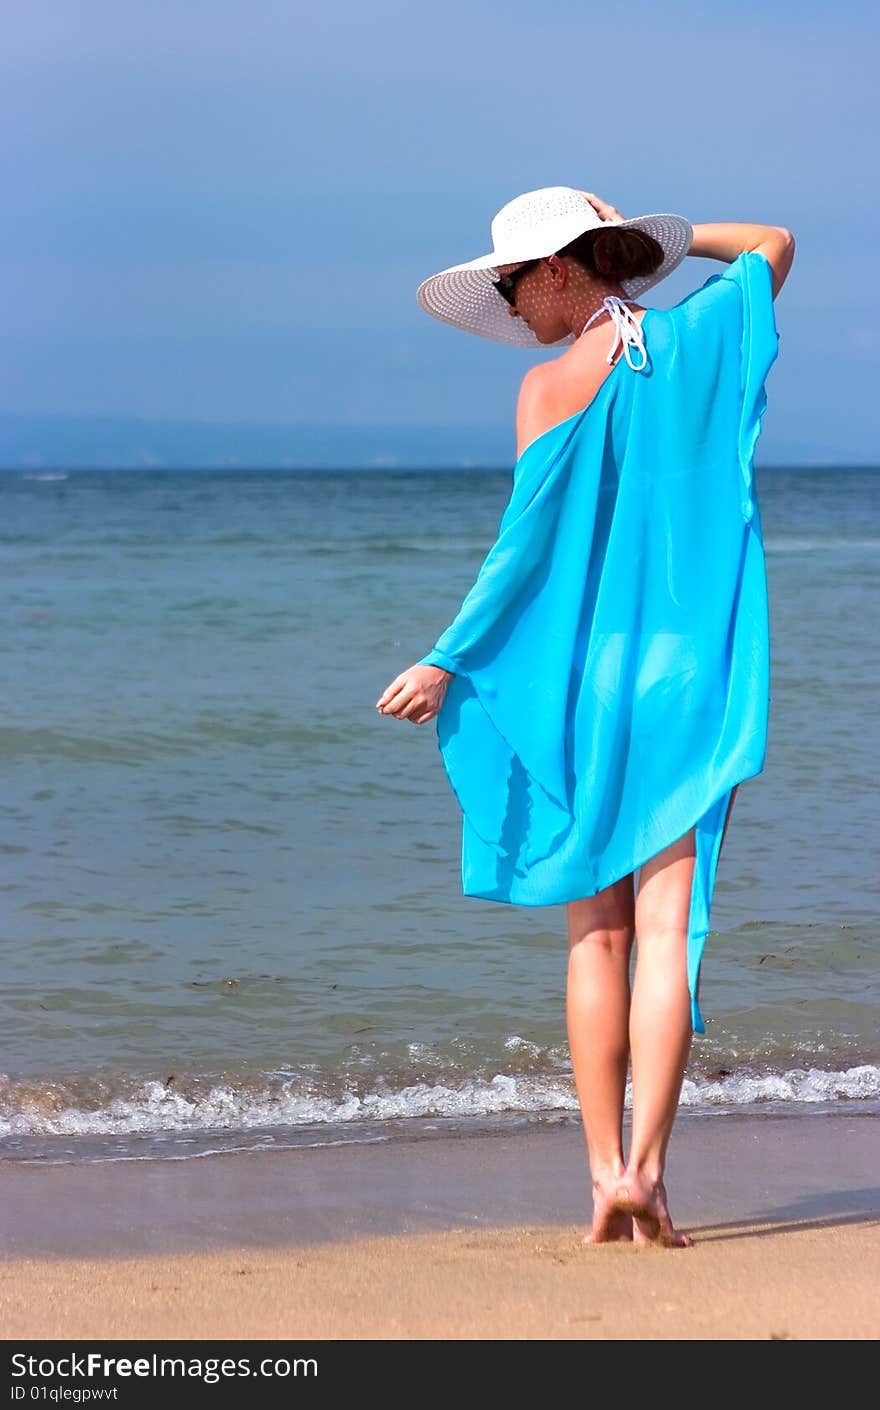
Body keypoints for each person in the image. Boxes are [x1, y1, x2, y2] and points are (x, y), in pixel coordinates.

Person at [375, 187, 795, 1248]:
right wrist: (670, 236)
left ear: (558, 267)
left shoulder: (546, 386)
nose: (514, 308)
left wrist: (447, 657)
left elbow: (521, 556)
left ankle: (601, 1170)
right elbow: (775, 243)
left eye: (517, 283)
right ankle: (648, 1176)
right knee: (665, 933)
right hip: (684, 676)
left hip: (584, 685)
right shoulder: (698, 336)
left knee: (594, 937)